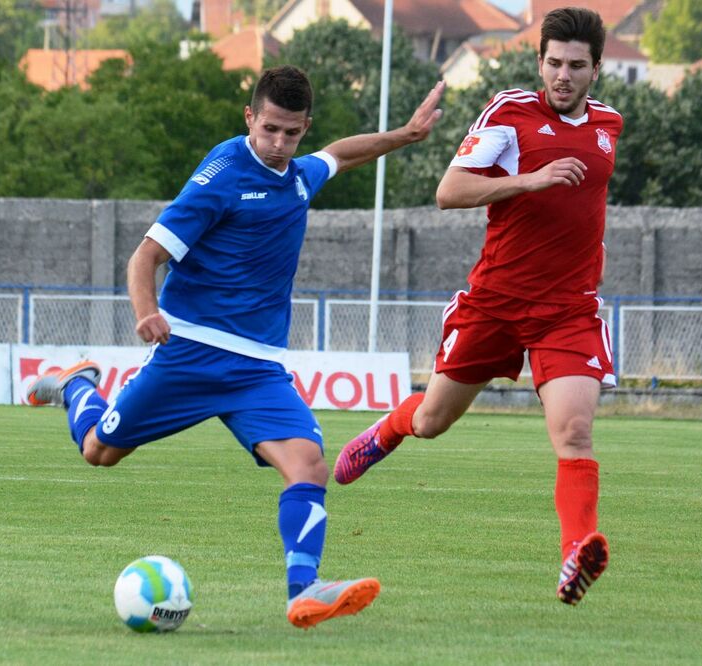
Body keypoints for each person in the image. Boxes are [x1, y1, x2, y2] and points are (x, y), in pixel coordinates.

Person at [27, 65, 445, 627]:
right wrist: (147, 311)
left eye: (291, 133)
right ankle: (78, 383)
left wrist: (404, 136)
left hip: (258, 370)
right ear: (250, 117)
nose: (278, 143)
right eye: (269, 128)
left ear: (303, 129)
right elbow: (145, 256)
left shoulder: (297, 175)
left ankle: (305, 590)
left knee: (308, 466)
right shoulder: (221, 176)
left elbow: (340, 154)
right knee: (100, 453)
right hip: (191, 354)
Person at [333, 7, 621, 605]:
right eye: (554, 63)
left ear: (597, 68)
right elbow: (449, 191)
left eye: (576, 66)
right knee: (432, 422)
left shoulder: (609, 124)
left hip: (568, 309)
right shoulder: (510, 113)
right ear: (539, 61)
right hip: (495, 302)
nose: (563, 75)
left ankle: (575, 554)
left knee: (574, 430)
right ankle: (389, 429)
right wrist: (529, 180)